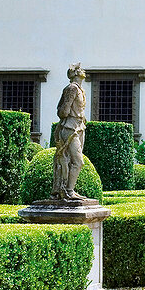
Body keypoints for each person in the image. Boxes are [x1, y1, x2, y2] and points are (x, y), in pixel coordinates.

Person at [52, 63, 88, 201]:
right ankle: (67, 191)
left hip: (79, 127)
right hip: (70, 128)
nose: (84, 70)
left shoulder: (80, 89)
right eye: (80, 69)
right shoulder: (72, 89)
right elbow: (62, 111)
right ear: (76, 73)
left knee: (75, 161)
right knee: (77, 161)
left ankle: (69, 190)